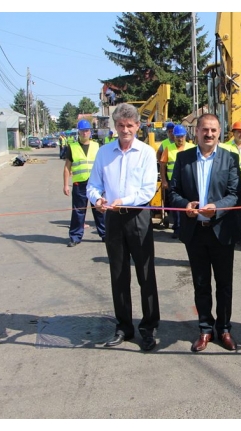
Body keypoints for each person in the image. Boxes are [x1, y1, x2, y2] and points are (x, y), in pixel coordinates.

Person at [86, 103, 160, 352]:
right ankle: (124, 327)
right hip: (113, 218)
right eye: (120, 125)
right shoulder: (104, 152)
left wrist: (123, 201)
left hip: (138, 217)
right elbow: (93, 184)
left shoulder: (146, 152)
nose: (125, 130)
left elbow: (148, 190)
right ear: (115, 127)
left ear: (137, 126)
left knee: (145, 275)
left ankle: (149, 327)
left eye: (130, 125)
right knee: (118, 275)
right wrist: (97, 199)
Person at [168, 113, 241, 353]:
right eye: (204, 130)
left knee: (224, 284)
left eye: (213, 130)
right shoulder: (183, 158)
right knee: (201, 284)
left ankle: (225, 329)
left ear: (219, 132)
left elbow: (235, 194)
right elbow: (173, 192)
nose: (209, 134)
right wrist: (185, 205)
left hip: (221, 231)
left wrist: (217, 208)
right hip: (195, 233)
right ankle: (205, 329)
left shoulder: (230, 158)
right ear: (196, 132)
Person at [62, 119, 105, 247]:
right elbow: (67, 167)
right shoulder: (72, 147)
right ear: (79, 132)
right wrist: (65, 185)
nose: (85, 133)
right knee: (78, 211)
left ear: (90, 132)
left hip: (95, 183)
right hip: (79, 184)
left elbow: (104, 165)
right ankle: (75, 237)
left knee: (99, 209)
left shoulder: (97, 146)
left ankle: (105, 235)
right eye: (82, 131)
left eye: (87, 131)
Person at [220, 121, 241, 246]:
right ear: (233, 133)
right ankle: (228, 235)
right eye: (239, 131)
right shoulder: (225, 147)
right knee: (229, 211)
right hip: (230, 186)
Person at [160, 124, 195, 238]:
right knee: (176, 205)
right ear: (173, 137)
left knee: (189, 204)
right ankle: (177, 228)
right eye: (177, 137)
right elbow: (162, 165)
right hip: (173, 182)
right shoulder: (168, 148)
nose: (180, 139)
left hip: (188, 181)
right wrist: (164, 181)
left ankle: (188, 228)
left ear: (185, 136)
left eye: (182, 136)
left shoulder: (192, 147)